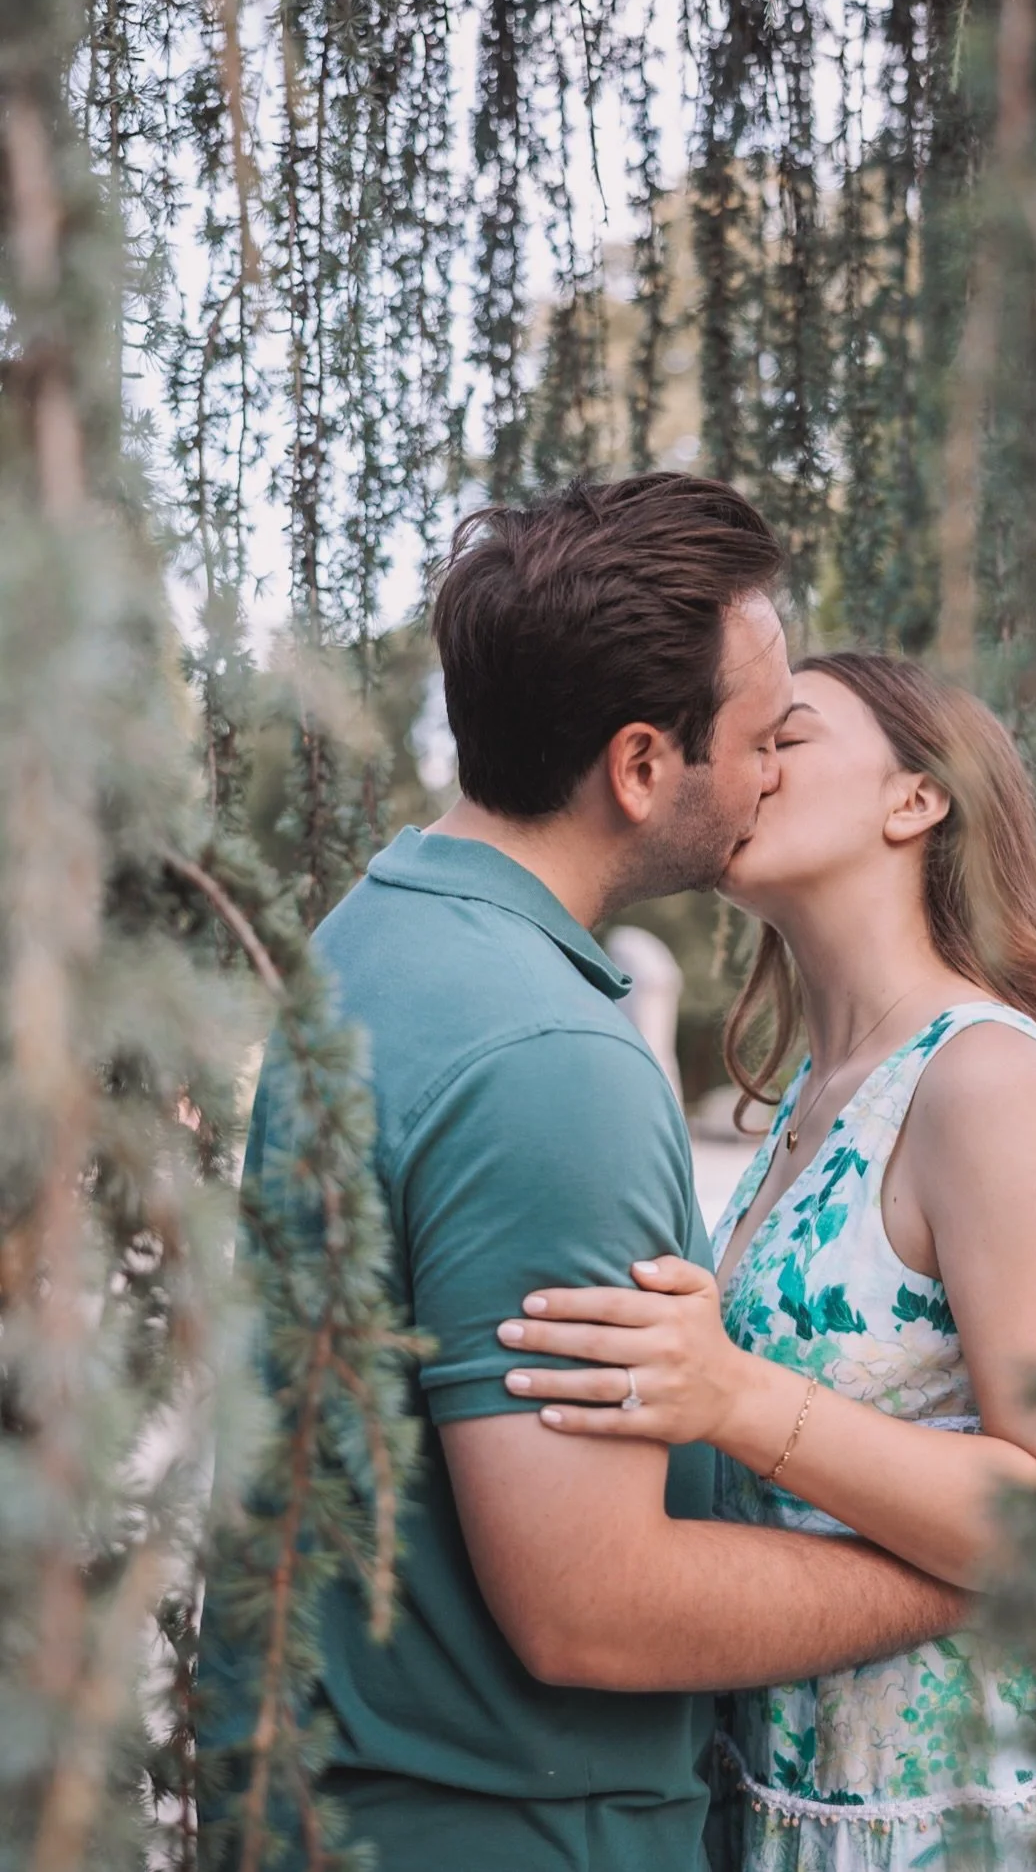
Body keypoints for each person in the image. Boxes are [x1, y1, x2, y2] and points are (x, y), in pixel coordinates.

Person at [197, 480, 977, 1872]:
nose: (764, 778)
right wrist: (957, 1571)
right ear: (636, 766)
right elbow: (592, 1607)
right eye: (755, 738)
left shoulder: (368, 937)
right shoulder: (553, 1057)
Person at [495, 653, 1036, 1870]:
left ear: (915, 801)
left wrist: (736, 1397)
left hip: (958, 1825)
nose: (742, 763)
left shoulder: (986, 1080)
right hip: (780, 1806)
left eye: (785, 736)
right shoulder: (815, 1093)